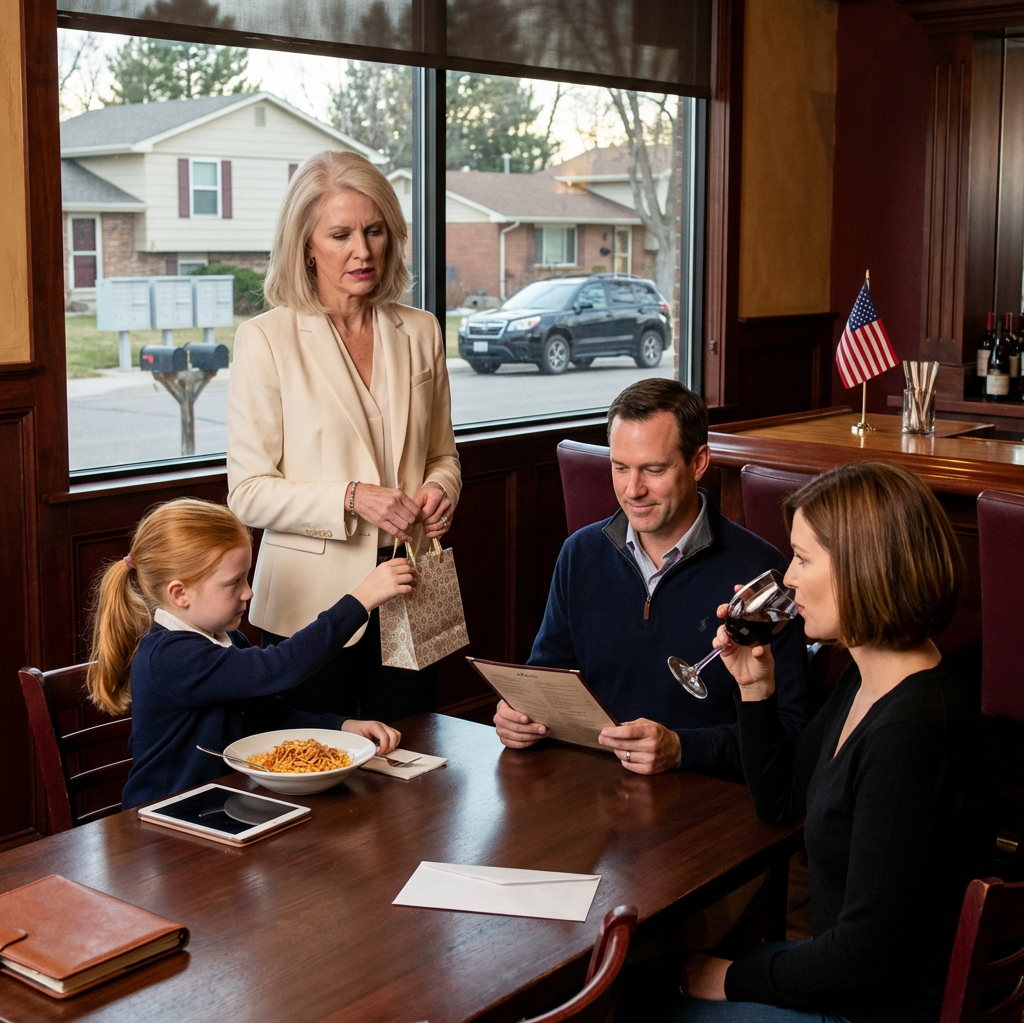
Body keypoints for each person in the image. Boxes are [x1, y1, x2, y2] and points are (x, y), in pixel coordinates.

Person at [666, 462, 990, 1023]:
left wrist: (733, 978)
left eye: (803, 558)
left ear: (864, 570)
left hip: (870, 1008)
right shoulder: (869, 679)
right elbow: (780, 802)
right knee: (648, 978)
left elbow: (859, 960)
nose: (786, 578)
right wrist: (755, 687)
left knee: (650, 1007)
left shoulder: (909, 733)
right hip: (844, 980)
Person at [227, 150, 461, 722]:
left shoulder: (422, 329)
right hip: (311, 605)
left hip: (413, 585)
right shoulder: (265, 340)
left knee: (415, 766)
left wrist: (441, 490)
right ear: (306, 245)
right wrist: (352, 497)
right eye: (340, 234)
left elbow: (443, 455)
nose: (363, 250)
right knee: (319, 769)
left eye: (374, 230)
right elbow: (248, 491)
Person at [494, 379, 808, 779]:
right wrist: (521, 717)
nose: (632, 490)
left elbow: (790, 729)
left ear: (699, 462)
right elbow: (548, 680)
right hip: (593, 789)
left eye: (653, 470)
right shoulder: (579, 554)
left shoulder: (760, 571)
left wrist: (681, 749)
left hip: (707, 798)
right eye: (620, 467)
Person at [87, 498, 414, 809]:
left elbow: (273, 717)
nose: (249, 591)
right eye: (234, 583)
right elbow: (281, 667)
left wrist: (341, 727)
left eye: (247, 576)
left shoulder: (229, 639)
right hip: (167, 818)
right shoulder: (169, 657)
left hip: (225, 803)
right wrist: (360, 601)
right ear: (180, 593)